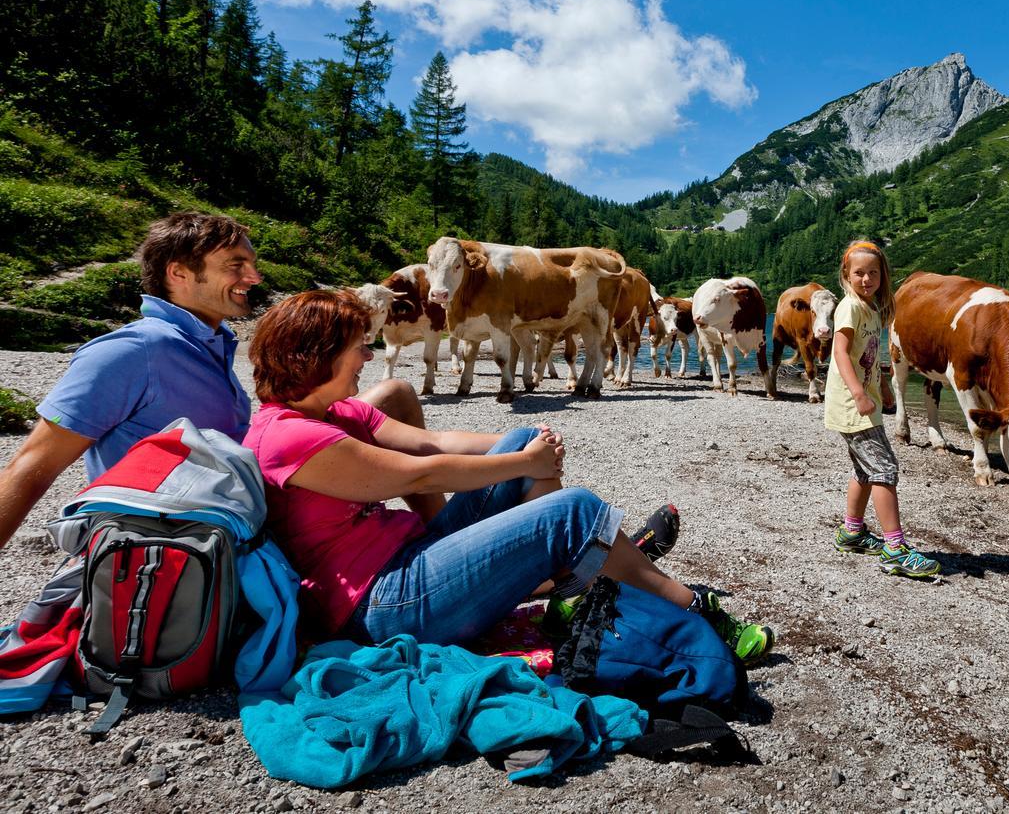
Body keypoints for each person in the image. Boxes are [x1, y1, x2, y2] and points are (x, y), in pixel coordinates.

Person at [242, 289, 775, 665]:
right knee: (573, 509)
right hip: (382, 606)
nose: (370, 355)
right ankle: (688, 607)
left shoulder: (332, 412)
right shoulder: (288, 437)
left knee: (522, 441)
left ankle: (580, 572)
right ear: (315, 355)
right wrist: (524, 466)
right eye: (358, 345)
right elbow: (414, 473)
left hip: (407, 563)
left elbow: (434, 442)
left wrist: (529, 445)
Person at [0, 212, 421, 551]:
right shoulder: (131, 351)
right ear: (179, 273)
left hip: (242, 502)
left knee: (395, 394)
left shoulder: (209, 343)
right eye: (236, 265)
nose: (253, 277)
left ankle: (432, 526)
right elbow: (32, 465)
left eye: (252, 265)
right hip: (192, 538)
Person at [825, 240, 940, 579]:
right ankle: (894, 549)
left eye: (873, 273)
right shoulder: (849, 308)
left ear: (882, 276)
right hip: (852, 403)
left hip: (864, 401)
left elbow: (871, 356)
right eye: (859, 273)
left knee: (865, 469)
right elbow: (841, 353)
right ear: (846, 274)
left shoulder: (872, 308)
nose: (866, 279)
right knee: (885, 469)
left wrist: (885, 386)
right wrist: (860, 393)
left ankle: (852, 532)